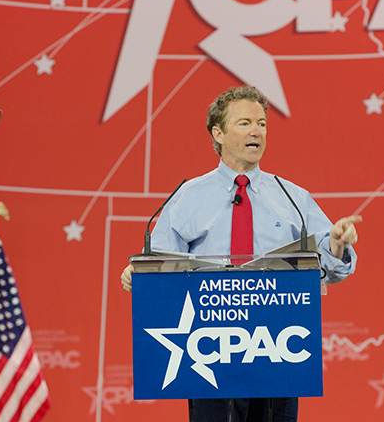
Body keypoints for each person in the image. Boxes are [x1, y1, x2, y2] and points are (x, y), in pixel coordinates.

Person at [121, 85, 361, 422]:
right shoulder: (188, 197)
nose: (256, 132)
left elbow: (329, 267)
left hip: (277, 344)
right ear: (218, 133)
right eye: (245, 123)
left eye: (262, 124)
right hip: (209, 348)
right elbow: (161, 264)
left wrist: (336, 243)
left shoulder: (292, 197)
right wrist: (140, 273)